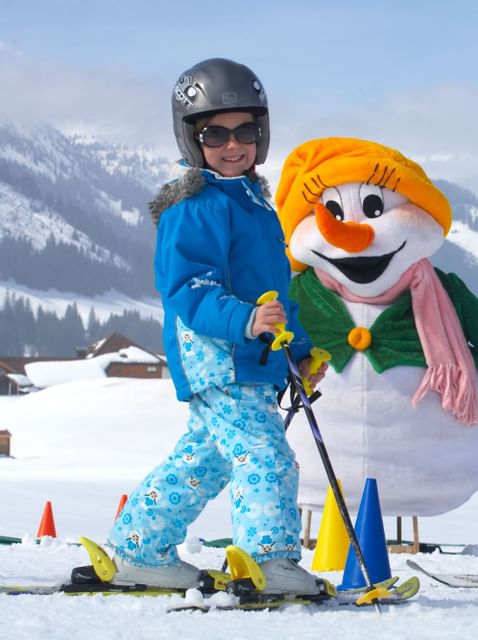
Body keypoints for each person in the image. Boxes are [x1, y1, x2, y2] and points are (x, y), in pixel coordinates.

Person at [102, 58, 328, 595]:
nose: (233, 145)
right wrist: (246, 320)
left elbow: (275, 293)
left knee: (204, 461)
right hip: (220, 356)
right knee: (264, 455)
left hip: (251, 356)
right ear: (191, 139)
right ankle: (267, 561)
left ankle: (140, 549)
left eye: (245, 131)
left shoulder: (254, 206)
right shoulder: (195, 205)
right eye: (215, 134)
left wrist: (297, 349)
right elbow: (189, 288)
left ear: (262, 134)